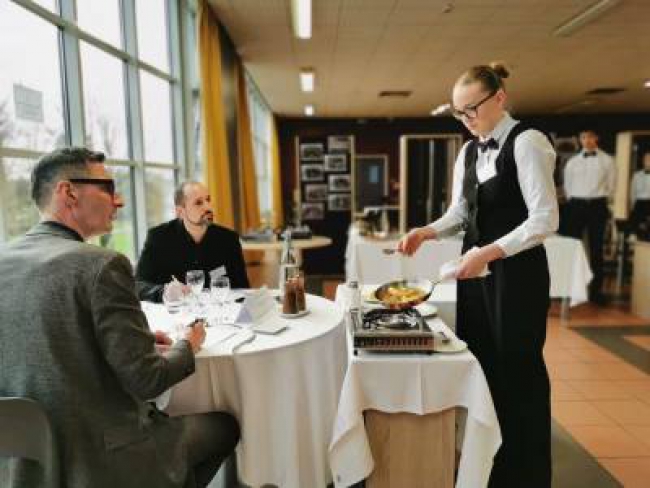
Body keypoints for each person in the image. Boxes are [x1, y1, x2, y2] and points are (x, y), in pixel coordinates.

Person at [0, 147, 239, 488]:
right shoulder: (101, 264)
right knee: (225, 426)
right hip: (104, 461)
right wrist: (188, 343)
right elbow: (148, 380)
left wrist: (134, 342)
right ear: (68, 192)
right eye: (109, 188)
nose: (120, 201)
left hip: (23, 467)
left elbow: (49, 347)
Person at [399, 64, 558, 488]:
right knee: (483, 369)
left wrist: (486, 252)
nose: (467, 120)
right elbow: (460, 213)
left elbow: (545, 219)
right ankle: (486, 469)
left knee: (518, 374)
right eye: (459, 113)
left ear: (500, 98)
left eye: (472, 109)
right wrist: (426, 231)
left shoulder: (528, 143)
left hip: (517, 278)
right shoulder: (468, 151)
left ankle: (525, 475)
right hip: (477, 280)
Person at [136, 181, 250, 302]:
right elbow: (138, 285)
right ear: (180, 212)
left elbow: (243, 288)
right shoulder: (158, 238)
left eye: (208, 200)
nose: (208, 207)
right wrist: (163, 292)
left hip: (219, 313)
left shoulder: (228, 239)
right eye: (198, 203)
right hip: (176, 314)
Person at [562, 130, 617, 304]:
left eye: (590, 136)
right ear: (580, 139)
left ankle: (596, 292)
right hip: (576, 206)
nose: (586, 140)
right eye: (583, 137)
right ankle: (566, 290)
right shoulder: (572, 162)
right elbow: (567, 187)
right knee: (571, 248)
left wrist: (597, 199)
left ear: (597, 138)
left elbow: (612, 186)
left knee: (597, 249)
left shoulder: (608, 161)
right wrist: (576, 202)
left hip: (597, 206)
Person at [630, 152, 650, 240]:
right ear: (643, 161)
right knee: (637, 228)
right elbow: (632, 192)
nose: (648, 161)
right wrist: (633, 206)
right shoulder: (637, 175)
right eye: (646, 159)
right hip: (639, 203)